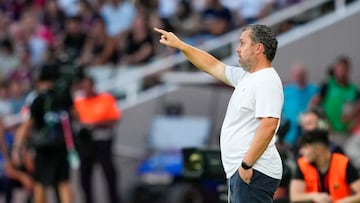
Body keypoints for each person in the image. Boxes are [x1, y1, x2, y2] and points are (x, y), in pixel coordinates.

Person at [154, 24, 284, 203]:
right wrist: (181, 46)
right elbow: (213, 66)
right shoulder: (247, 77)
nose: (238, 49)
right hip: (244, 170)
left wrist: (247, 164)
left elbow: (269, 125)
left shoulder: (267, 80)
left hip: (253, 169)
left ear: (258, 48)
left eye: (242, 43)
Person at [12, 64, 73, 203]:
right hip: (61, 146)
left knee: (40, 184)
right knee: (64, 183)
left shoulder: (38, 99)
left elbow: (27, 124)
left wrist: (17, 147)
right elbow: (76, 116)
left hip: (43, 149)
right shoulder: (63, 96)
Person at [73, 75, 122, 203]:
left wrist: (96, 124)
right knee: (85, 176)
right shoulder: (78, 102)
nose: (86, 89)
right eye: (84, 87)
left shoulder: (105, 99)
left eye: (88, 86)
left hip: (102, 141)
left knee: (109, 173)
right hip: (85, 143)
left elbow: (114, 119)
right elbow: (75, 121)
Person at [289, 129, 360, 203]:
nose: (301, 151)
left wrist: (344, 202)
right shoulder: (302, 164)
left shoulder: (343, 163)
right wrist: (314, 196)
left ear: (319, 149)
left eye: (305, 147)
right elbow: (294, 197)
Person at [282, 63, 319, 146]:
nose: (299, 78)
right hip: (290, 135)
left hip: (309, 134)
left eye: (301, 75)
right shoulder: (286, 92)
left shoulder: (314, 90)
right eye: (297, 75)